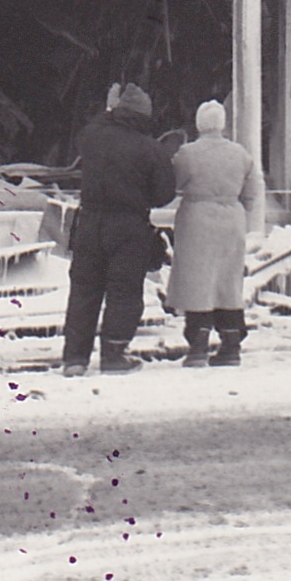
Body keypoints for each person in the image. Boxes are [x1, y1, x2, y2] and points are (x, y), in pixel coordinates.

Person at [59, 83, 176, 376]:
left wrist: (108, 110)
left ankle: (75, 358)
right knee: (124, 291)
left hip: (89, 222)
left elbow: (85, 134)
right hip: (129, 226)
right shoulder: (152, 148)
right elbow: (164, 194)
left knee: (84, 290)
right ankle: (113, 354)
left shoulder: (93, 137)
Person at [167, 100, 264, 368]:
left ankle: (197, 345)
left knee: (198, 282)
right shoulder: (240, 153)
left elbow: (172, 184)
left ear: (199, 123)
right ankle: (231, 344)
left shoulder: (187, 153)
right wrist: (238, 209)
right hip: (231, 217)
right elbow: (253, 191)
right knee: (228, 283)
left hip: (197, 218)